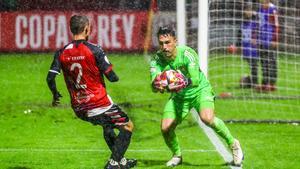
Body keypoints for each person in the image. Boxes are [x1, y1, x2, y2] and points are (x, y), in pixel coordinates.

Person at [46, 15, 137, 169]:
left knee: (107, 126)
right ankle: (113, 163)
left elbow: (50, 78)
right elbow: (112, 78)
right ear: (87, 29)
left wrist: (55, 94)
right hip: (99, 104)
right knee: (127, 126)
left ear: (71, 29)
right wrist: (109, 69)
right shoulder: (94, 49)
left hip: (80, 109)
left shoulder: (61, 52)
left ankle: (121, 161)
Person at [150, 26, 244, 167]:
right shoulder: (157, 59)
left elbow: (195, 80)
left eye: (168, 42)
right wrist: (158, 85)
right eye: (161, 43)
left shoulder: (187, 53)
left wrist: (180, 81)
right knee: (165, 128)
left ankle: (233, 144)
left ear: (175, 41)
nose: (165, 47)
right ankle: (177, 155)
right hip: (179, 97)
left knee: (207, 118)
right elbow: (153, 85)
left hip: (200, 91)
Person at [257, 0, 279, 92]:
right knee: (263, 62)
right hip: (261, 39)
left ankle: (272, 83)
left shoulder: (273, 9)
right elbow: (258, 24)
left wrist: (275, 39)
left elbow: (276, 25)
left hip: (270, 40)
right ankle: (265, 83)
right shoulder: (260, 9)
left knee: (271, 61)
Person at [240, 3, 259, 88]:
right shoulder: (243, 23)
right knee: (252, 66)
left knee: (254, 66)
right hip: (246, 49)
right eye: (246, 10)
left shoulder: (255, 21)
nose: (248, 12)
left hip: (254, 49)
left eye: (249, 10)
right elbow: (239, 34)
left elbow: (259, 27)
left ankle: (254, 83)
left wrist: (256, 14)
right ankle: (250, 81)